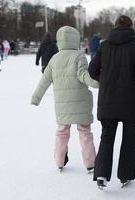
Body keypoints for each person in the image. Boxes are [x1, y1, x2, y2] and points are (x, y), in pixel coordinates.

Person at [88, 15, 135, 189]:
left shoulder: (104, 46)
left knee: (107, 137)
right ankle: (125, 175)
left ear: (115, 26)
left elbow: (92, 70)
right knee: (128, 138)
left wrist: (104, 79)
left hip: (108, 99)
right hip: (130, 100)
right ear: (130, 27)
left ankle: (102, 174)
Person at [31, 26, 99, 172]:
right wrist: (97, 82)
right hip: (81, 102)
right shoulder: (79, 56)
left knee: (62, 131)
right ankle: (91, 163)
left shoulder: (54, 59)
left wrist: (36, 97)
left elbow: (44, 80)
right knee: (85, 131)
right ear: (75, 40)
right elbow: (83, 75)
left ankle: (59, 161)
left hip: (62, 104)